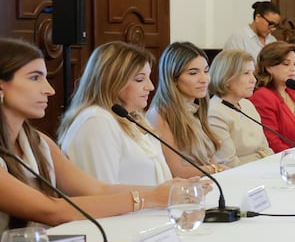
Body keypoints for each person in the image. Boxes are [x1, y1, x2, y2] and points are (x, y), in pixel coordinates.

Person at [0, 38, 180, 229]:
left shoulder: (38, 141)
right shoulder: (95, 119)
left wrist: (168, 192)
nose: (49, 90)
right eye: (35, 78)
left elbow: (97, 189)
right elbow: (52, 211)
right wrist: (151, 198)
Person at [58, 41, 171, 186]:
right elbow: (102, 192)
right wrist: (157, 194)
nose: (151, 86)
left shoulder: (136, 119)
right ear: (113, 80)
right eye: (139, 79)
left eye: (149, 77)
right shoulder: (96, 121)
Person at [148, 42, 226, 177]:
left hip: (207, 182)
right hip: (185, 187)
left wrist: (217, 170)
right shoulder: (160, 114)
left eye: (206, 71)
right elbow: (175, 171)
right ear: (173, 78)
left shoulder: (196, 109)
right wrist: (215, 169)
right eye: (193, 73)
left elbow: (209, 158)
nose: (204, 79)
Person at [207, 49, 273, 167]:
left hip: (263, 168)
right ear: (227, 77)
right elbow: (229, 162)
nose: (253, 80)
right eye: (246, 73)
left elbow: (264, 148)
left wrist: (274, 166)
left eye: (253, 73)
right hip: (240, 173)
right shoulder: (214, 112)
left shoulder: (247, 104)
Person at [249, 42, 295, 153]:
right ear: (269, 67)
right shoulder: (262, 96)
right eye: (286, 64)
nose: (293, 69)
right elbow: (272, 141)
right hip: (284, 158)